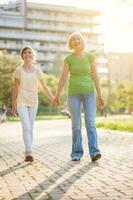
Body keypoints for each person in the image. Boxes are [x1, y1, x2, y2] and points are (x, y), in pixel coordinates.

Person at [53, 32, 104, 162]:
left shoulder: (90, 57)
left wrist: (100, 95)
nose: (76, 41)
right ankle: (76, 153)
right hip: (73, 95)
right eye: (73, 39)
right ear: (71, 44)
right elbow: (63, 78)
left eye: (78, 38)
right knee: (76, 125)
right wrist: (57, 96)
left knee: (90, 123)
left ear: (82, 41)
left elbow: (96, 77)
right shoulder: (68, 59)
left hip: (89, 94)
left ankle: (94, 152)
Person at [12, 46, 55, 162]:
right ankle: (29, 151)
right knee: (26, 126)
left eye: (29, 52)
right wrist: (13, 104)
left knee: (30, 128)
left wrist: (53, 98)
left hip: (33, 102)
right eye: (25, 53)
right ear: (22, 56)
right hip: (21, 101)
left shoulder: (37, 70)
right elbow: (15, 89)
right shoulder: (18, 71)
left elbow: (44, 87)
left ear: (32, 55)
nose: (27, 54)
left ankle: (27, 151)